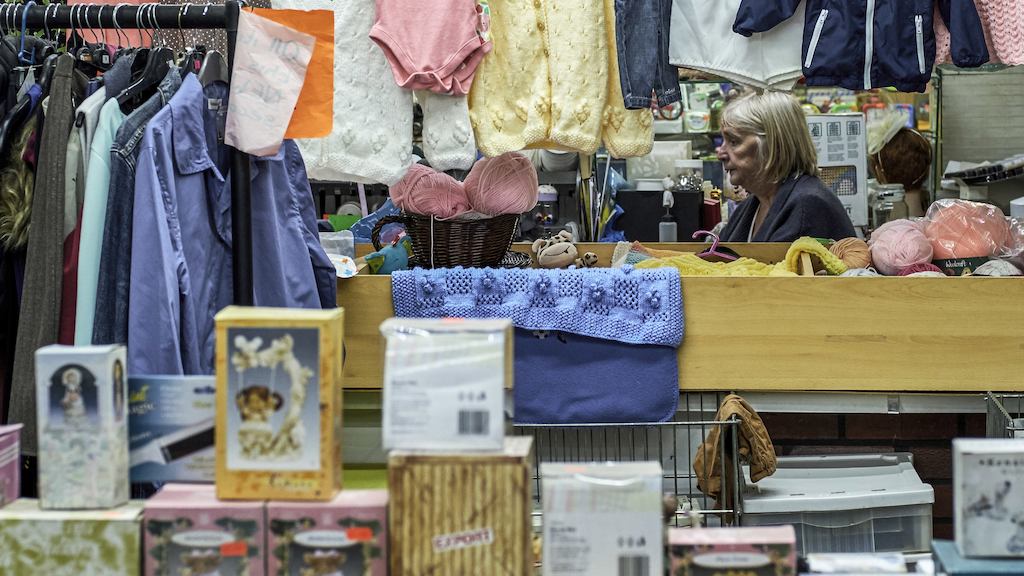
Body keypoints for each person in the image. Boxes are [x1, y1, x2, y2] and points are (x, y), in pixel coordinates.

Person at [716, 91, 855, 242]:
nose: (720, 154)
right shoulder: (754, 203)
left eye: (734, 142)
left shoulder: (807, 207)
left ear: (773, 145)